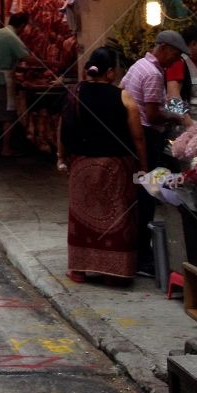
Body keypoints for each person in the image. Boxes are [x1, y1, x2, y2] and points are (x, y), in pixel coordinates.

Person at [60, 47, 147, 284]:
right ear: (110, 72)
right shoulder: (127, 94)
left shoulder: (74, 92)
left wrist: (61, 158)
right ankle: (114, 271)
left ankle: (79, 268)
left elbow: (63, 127)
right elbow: (139, 135)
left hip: (82, 165)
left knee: (81, 217)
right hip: (116, 165)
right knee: (118, 217)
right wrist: (143, 167)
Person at [121, 29, 186, 273]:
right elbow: (161, 105)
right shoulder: (160, 72)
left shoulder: (140, 65)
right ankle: (143, 257)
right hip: (148, 137)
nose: (177, 60)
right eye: (176, 55)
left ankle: (139, 252)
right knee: (147, 193)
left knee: (142, 191)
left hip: (141, 134)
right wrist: (180, 118)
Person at [0, 12, 30, 156]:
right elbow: (26, 57)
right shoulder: (13, 38)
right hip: (0, 79)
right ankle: (5, 148)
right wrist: (52, 64)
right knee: (7, 115)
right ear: (22, 26)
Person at [165, 23, 197, 127]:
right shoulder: (178, 63)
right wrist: (191, 127)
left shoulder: (194, 65)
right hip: (189, 132)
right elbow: (172, 100)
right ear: (194, 44)